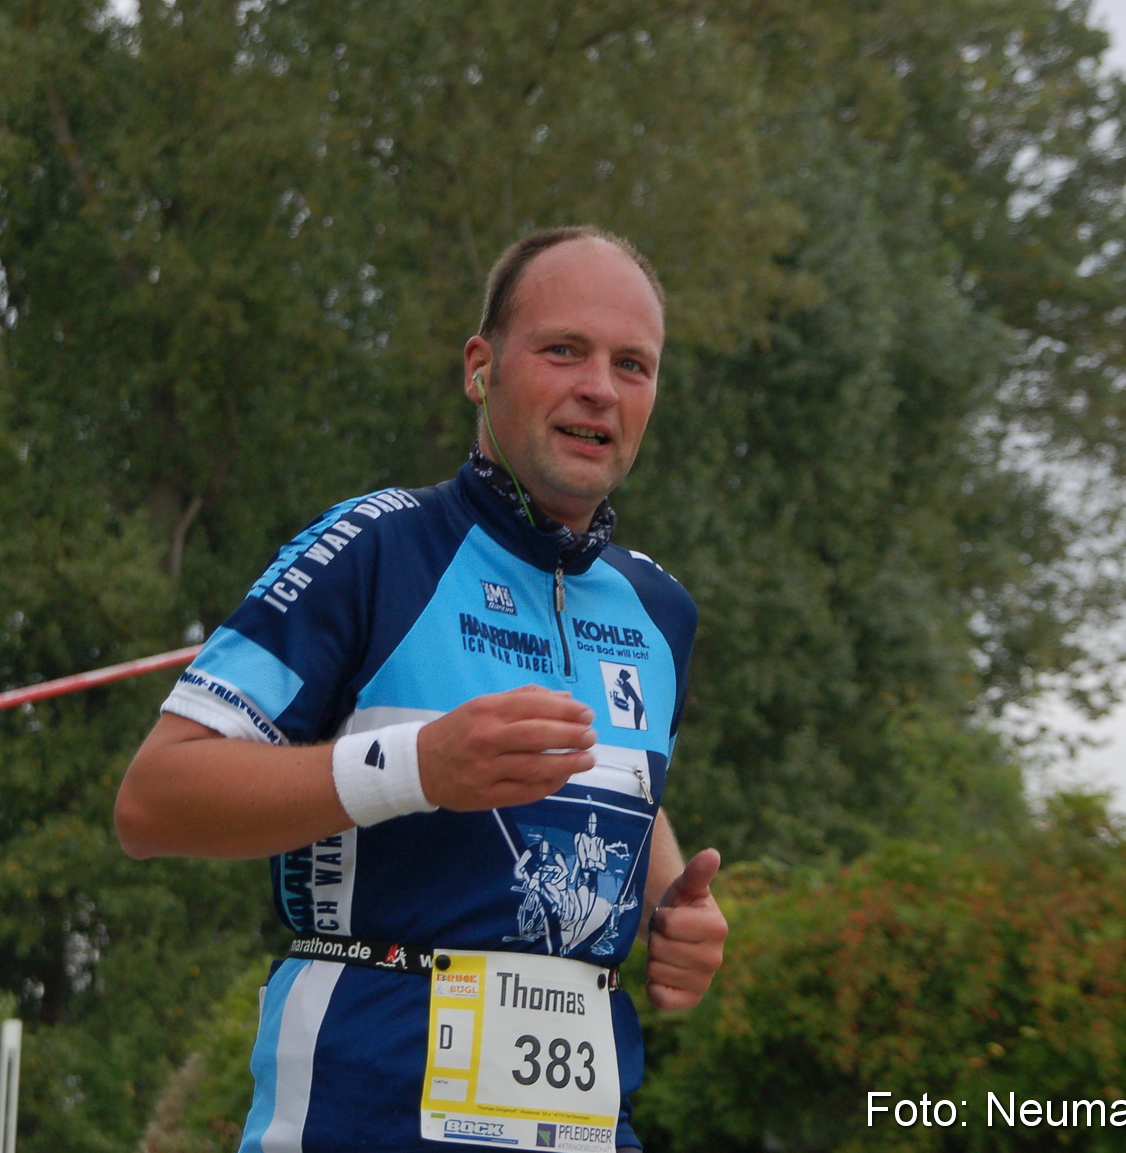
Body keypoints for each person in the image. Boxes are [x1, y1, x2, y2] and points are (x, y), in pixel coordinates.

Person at [117, 226, 727, 1152]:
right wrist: (417, 767)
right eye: (564, 349)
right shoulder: (377, 548)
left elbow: (620, 788)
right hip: (358, 1117)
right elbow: (154, 802)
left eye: (632, 364)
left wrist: (672, 907)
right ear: (480, 368)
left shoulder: (659, 609)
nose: (599, 387)